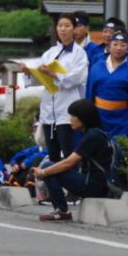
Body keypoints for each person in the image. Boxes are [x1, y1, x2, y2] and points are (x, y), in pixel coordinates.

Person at [31, 99, 114, 222]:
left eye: (74, 116)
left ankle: (61, 210)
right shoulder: (96, 133)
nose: (70, 119)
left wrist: (44, 172)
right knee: (50, 167)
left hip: (94, 186)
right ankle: (61, 210)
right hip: (97, 183)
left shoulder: (93, 136)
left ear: (84, 118)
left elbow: (69, 163)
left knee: (47, 167)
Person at [33, 12, 89, 162]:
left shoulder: (79, 54)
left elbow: (78, 77)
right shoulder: (49, 53)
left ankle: (71, 184)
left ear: (74, 29)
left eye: (67, 26)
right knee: (52, 155)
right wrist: (33, 72)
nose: (63, 29)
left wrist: (54, 74)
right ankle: (55, 184)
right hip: (49, 111)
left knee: (69, 153)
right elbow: (40, 77)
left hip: (67, 111)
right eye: (60, 26)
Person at [86, 31, 128, 144]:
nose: (118, 48)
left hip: (122, 119)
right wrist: (87, 116)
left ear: (127, 48)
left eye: (123, 45)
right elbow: (89, 93)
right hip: (99, 116)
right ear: (109, 46)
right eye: (115, 44)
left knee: (119, 150)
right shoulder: (97, 67)